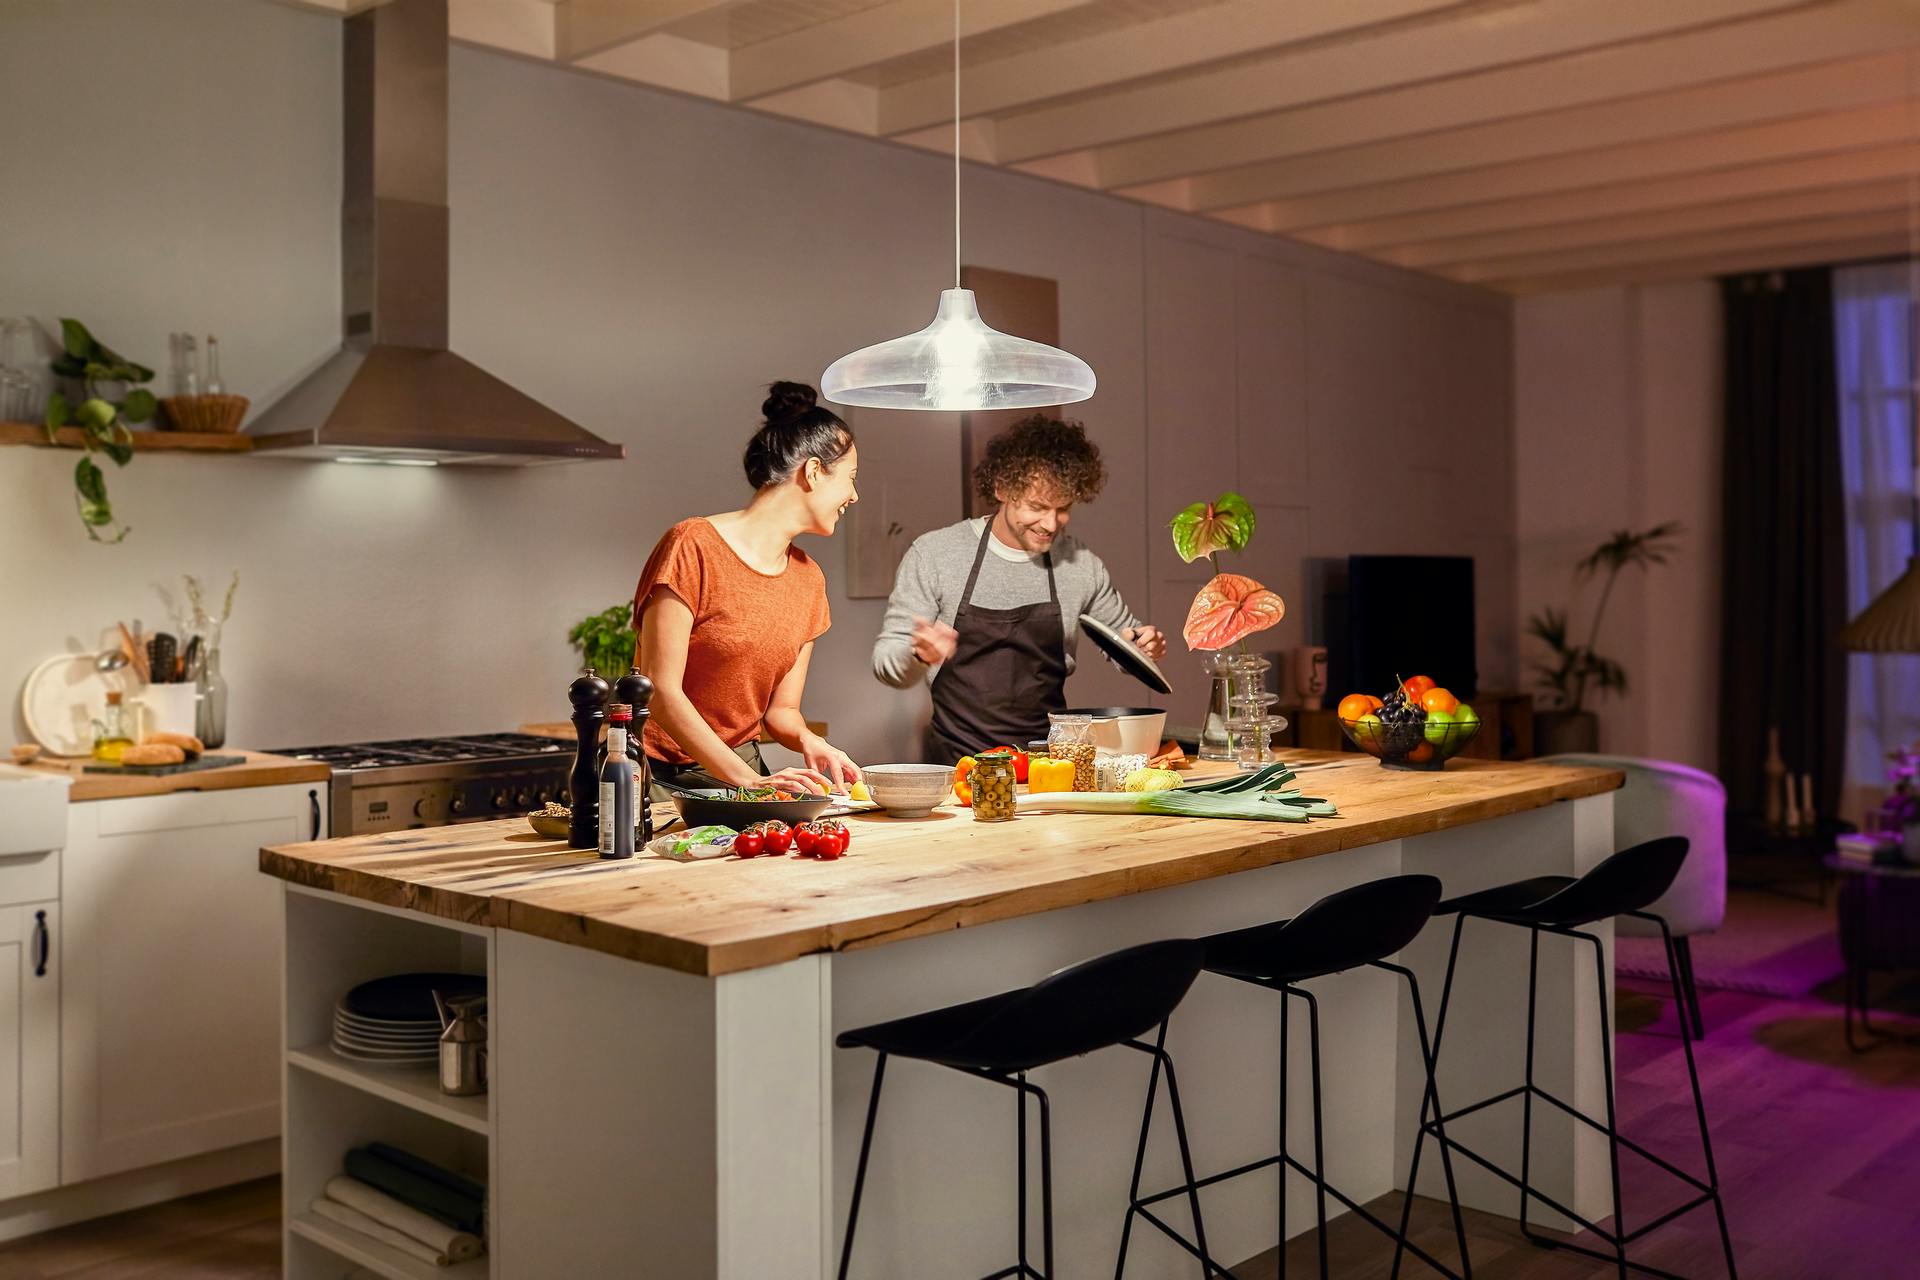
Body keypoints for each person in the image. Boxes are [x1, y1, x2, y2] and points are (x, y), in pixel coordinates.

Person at [872, 414, 1166, 764]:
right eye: (1037, 507)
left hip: (1050, 766)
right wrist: (919, 654)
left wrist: (1144, 646)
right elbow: (886, 663)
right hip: (958, 768)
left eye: (1063, 509)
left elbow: (1126, 646)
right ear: (1002, 489)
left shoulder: (1080, 564)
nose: (1050, 523)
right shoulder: (936, 554)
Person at [634, 382, 862, 796]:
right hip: (654, 777)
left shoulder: (809, 580)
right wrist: (748, 781)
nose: (854, 495)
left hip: (742, 771)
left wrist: (812, 741)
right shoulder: (693, 544)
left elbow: (782, 713)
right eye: (850, 478)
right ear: (813, 472)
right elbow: (660, 691)